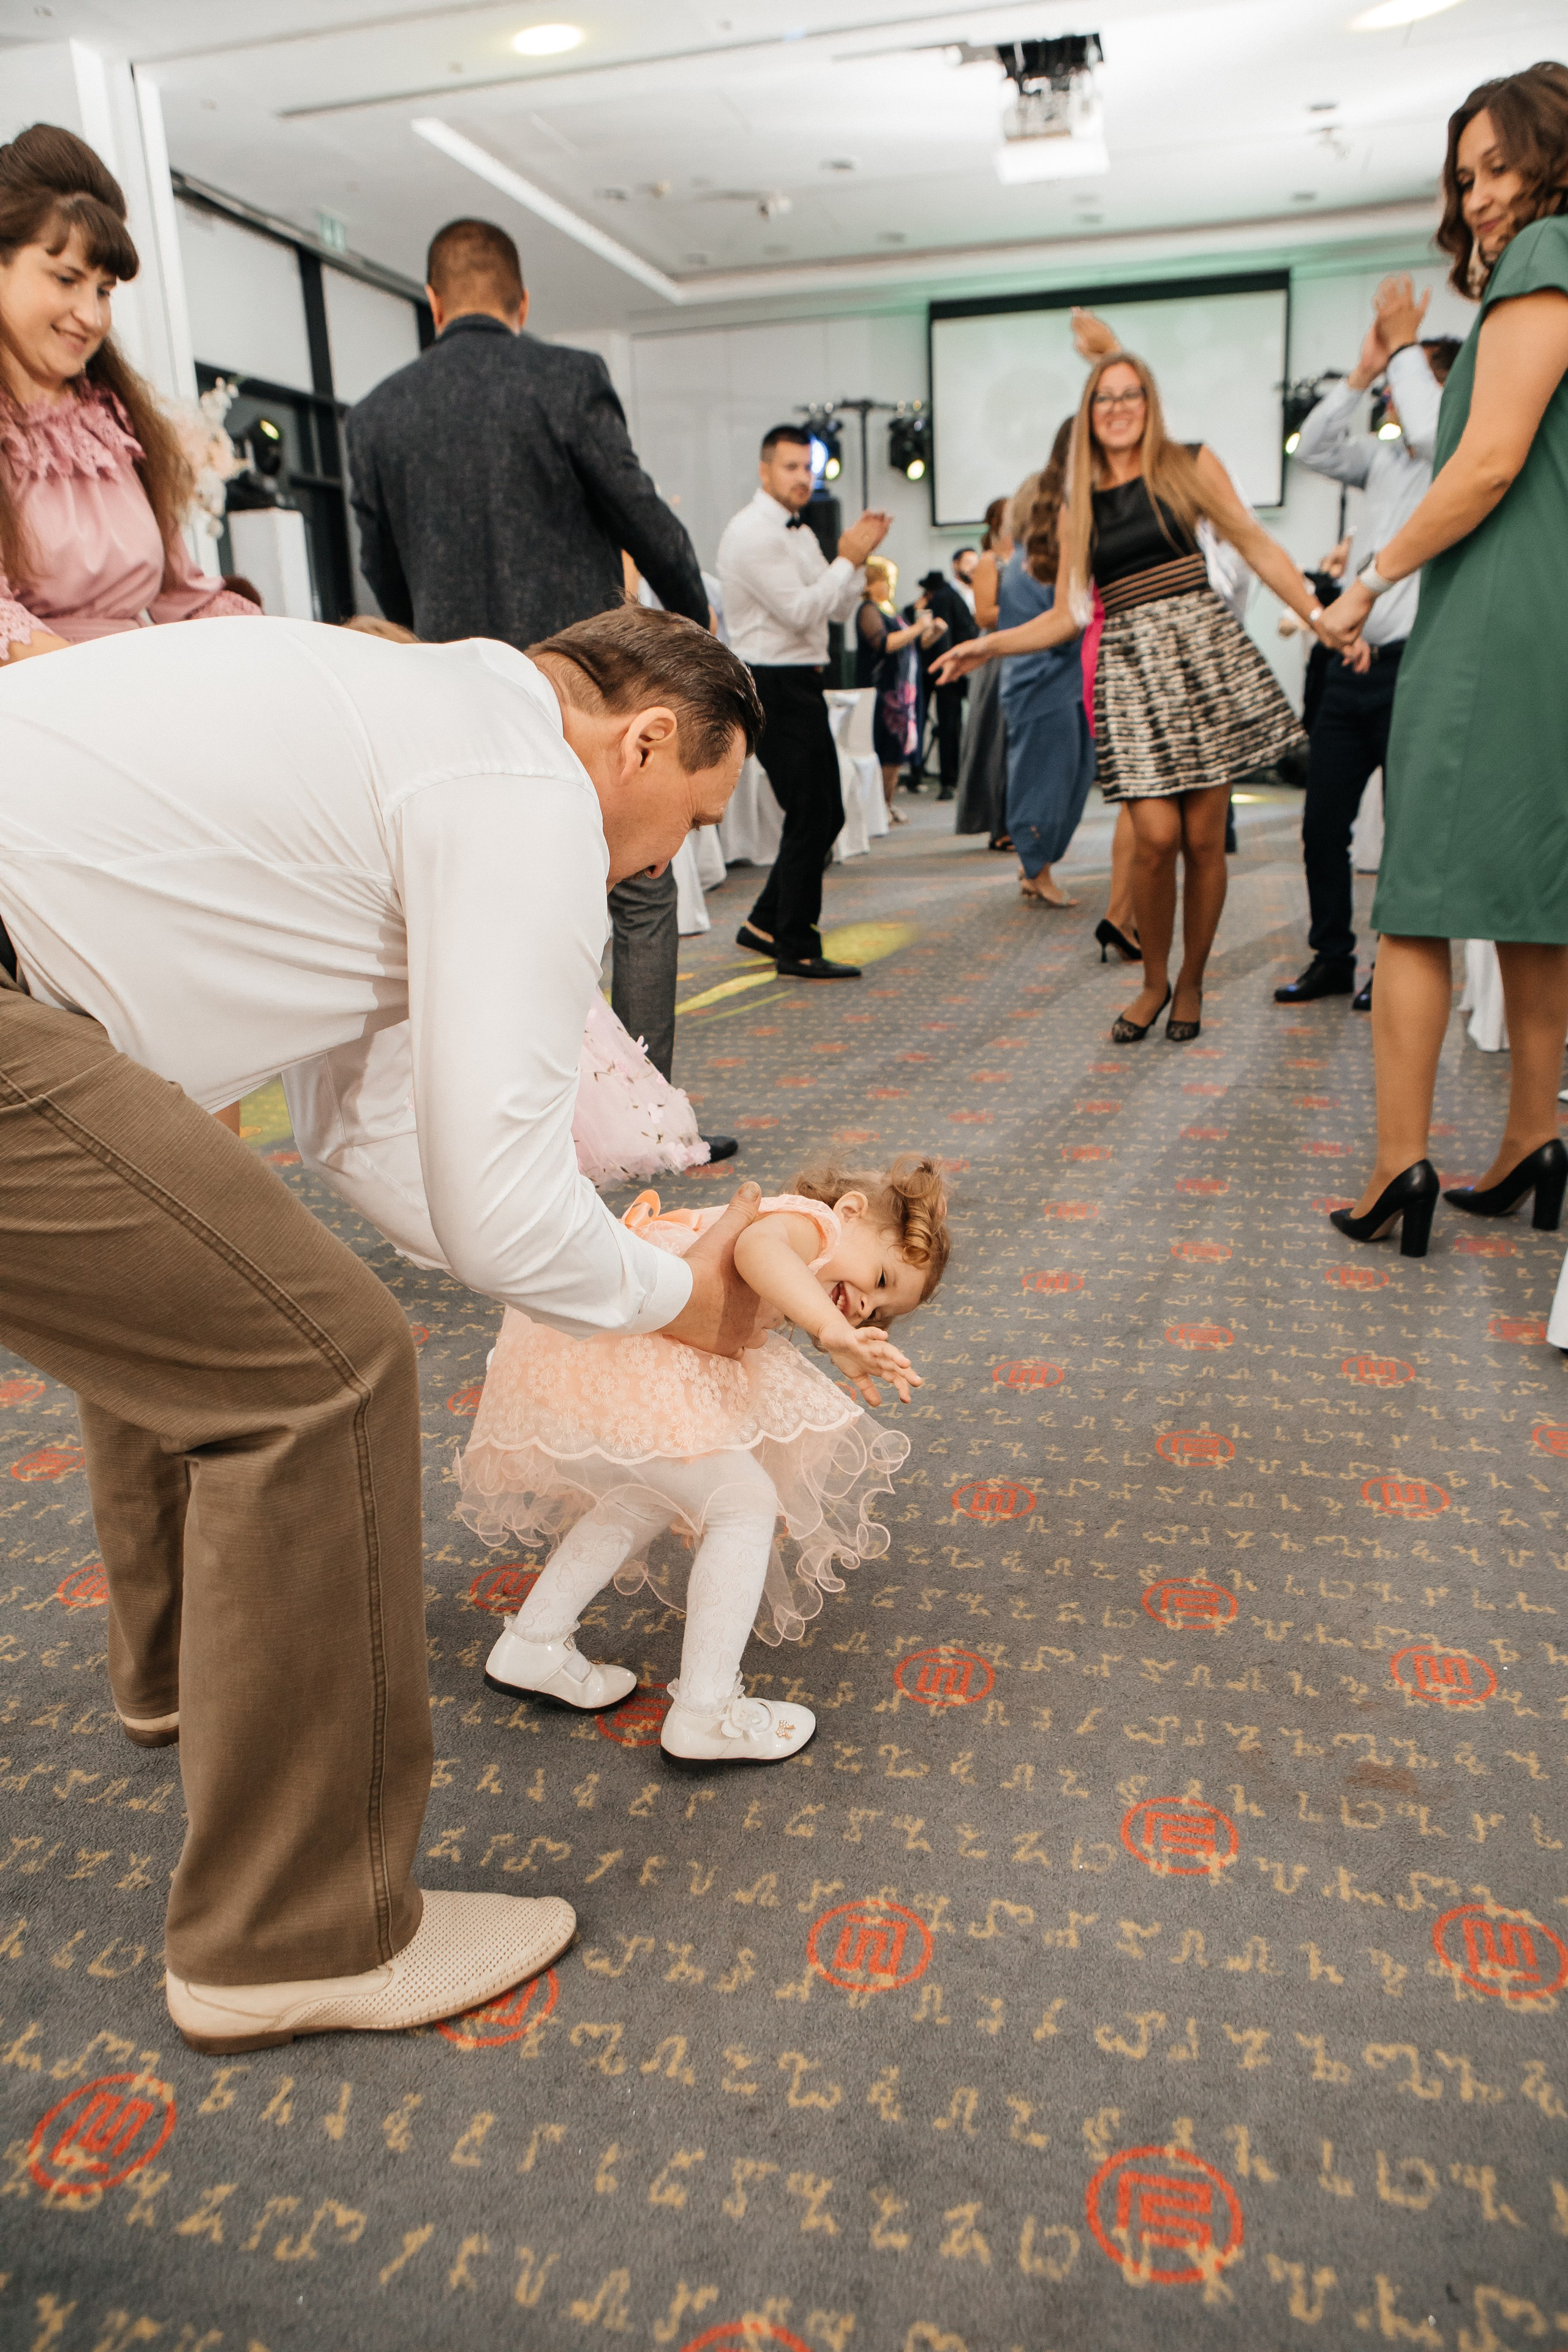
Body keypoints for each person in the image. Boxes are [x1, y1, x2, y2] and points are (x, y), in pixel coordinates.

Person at [0, 602, 768, 2052]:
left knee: (213, 1283)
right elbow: (493, 1210)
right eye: (690, 814)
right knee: (327, 1374)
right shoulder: (523, 785)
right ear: (646, 736)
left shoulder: (423, 719)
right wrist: (683, 1297)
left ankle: (184, 1674)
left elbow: (369, 1142)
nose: (668, 859)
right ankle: (291, 1935)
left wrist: (601, 1262)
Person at [344, 217, 733, 1155]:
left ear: (433, 304)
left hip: (459, 708)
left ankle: (509, 1135)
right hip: (581, 695)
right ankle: (644, 1125)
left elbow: (383, 578)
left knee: (481, 918)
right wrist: (696, 638)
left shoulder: (377, 413)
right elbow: (646, 519)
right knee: (641, 895)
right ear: (521, 304)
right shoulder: (565, 378)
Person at [1318, 62, 1568, 1262]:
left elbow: (1481, 468)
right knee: (1530, 895)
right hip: (1545, 610)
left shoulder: (1542, 258)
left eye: (1496, 166)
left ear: (1550, 154)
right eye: (1461, 177)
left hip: (1492, 613)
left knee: (1414, 895)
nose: (1475, 198)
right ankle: (1530, 1139)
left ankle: (1394, 1165)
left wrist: (1366, 580)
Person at [466, 1160, 948, 1762]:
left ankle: (532, 1645)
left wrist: (830, 1327)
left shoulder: (814, 1252)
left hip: (608, 1358)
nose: (865, 1306)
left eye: (879, 1310)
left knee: (641, 1495)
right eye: (880, 1276)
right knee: (743, 1505)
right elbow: (756, 1249)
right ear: (849, 1212)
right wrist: (828, 1329)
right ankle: (706, 1713)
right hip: (631, 1361)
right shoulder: (812, 1224)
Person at [934, 353, 1321, 1043]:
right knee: (1154, 839)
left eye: (1130, 395)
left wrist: (1319, 616)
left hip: (1200, 656)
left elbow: (1256, 546)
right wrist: (986, 645)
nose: (1117, 408)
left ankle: (1192, 983)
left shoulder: (1190, 465)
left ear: (1149, 403)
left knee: (1204, 840)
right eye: (1103, 398)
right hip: (1131, 672)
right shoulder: (1077, 501)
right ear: (1088, 413)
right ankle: (1152, 980)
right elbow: (1067, 613)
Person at [1275, 283, 1458, 1008]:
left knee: (1406, 836)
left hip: (1416, 669)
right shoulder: (1384, 463)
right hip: (1349, 669)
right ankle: (1333, 956)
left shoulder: (1450, 457)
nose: (1391, 393)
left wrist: (1408, 347)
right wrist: (1358, 375)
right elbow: (1314, 446)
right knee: (1323, 824)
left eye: (1405, 380)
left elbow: (1433, 430)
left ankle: (1395, 969)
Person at [720, 423, 891, 979]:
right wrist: (847, 559)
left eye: (807, 468)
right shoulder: (753, 533)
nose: (802, 478)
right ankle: (794, 944)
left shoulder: (799, 533)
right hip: (769, 680)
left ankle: (768, 921)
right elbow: (798, 611)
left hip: (798, 680)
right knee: (814, 812)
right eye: (791, 467)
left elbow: (836, 611)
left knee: (824, 811)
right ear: (765, 470)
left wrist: (856, 561)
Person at [1000, 421, 1097, 907]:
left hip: (1065, 686)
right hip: (1042, 688)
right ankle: (1037, 867)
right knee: (1047, 781)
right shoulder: (1027, 567)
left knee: (1071, 778)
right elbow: (1066, 624)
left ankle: (1035, 866)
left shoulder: (1047, 563)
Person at [856, 556, 940, 823]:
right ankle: (880, 806)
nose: (890, 585)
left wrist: (932, 633)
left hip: (903, 692)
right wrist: (918, 627)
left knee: (897, 752)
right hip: (884, 693)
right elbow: (885, 644)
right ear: (871, 583)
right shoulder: (868, 610)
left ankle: (886, 804)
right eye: (884, 580)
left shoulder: (890, 610)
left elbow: (914, 645)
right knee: (887, 749)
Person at [952, 495, 1014, 845]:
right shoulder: (990, 561)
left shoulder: (1027, 559)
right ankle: (998, 823)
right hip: (995, 656)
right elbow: (983, 615)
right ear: (997, 523)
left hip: (1024, 650)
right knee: (996, 736)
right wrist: (1029, 613)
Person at [914, 567, 976, 798]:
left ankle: (955, 778)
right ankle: (949, 781)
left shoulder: (968, 594)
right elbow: (944, 634)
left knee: (953, 723)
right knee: (949, 723)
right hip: (949, 669)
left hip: (965, 666)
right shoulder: (945, 596)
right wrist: (949, 667)